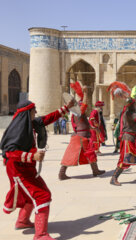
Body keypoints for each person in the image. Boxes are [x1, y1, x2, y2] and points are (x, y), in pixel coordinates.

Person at [0, 99, 74, 240]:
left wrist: (67, 107)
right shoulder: (19, 129)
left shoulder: (31, 124)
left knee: (31, 195)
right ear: (28, 112)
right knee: (42, 195)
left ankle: (22, 221)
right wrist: (32, 156)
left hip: (27, 169)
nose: (36, 112)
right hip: (18, 171)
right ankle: (40, 235)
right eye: (34, 110)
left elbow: (48, 118)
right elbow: (10, 152)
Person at [59, 83, 105, 180]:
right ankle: (95, 171)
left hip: (79, 136)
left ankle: (62, 173)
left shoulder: (77, 114)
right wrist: (85, 93)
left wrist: (93, 128)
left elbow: (84, 125)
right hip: (81, 137)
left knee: (78, 154)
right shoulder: (78, 112)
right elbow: (84, 104)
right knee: (88, 153)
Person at [108, 84, 136, 186]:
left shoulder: (129, 112)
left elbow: (133, 126)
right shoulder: (129, 113)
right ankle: (113, 178)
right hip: (128, 139)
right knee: (125, 159)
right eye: (134, 105)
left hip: (133, 137)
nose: (135, 106)